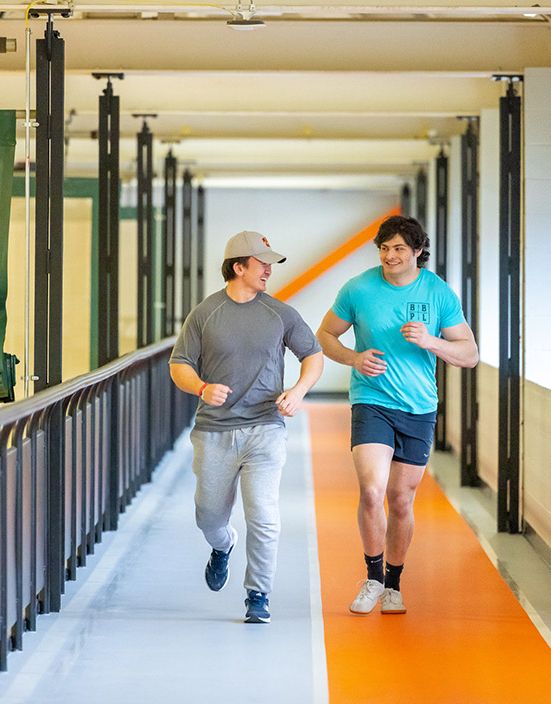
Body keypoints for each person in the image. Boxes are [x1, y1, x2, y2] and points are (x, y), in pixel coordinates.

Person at [315, 214, 478, 615]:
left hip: (419, 407)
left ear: (418, 251)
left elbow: (470, 355)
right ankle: (371, 579)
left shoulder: (438, 293)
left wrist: (431, 340)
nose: (390, 256)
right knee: (372, 491)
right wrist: (354, 358)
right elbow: (325, 335)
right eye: (385, 248)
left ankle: (393, 584)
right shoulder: (359, 288)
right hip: (372, 400)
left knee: (400, 501)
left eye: (399, 249)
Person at [170, 230, 324, 624]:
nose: (269, 270)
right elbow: (179, 365)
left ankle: (258, 594)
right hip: (214, 431)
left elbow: (313, 355)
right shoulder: (205, 314)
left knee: (264, 514)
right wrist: (202, 388)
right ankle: (222, 548)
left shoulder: (281, 314)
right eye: (262, 263)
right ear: (238, 267)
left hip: (265, 428)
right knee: (208, 516)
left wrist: (299, 390)